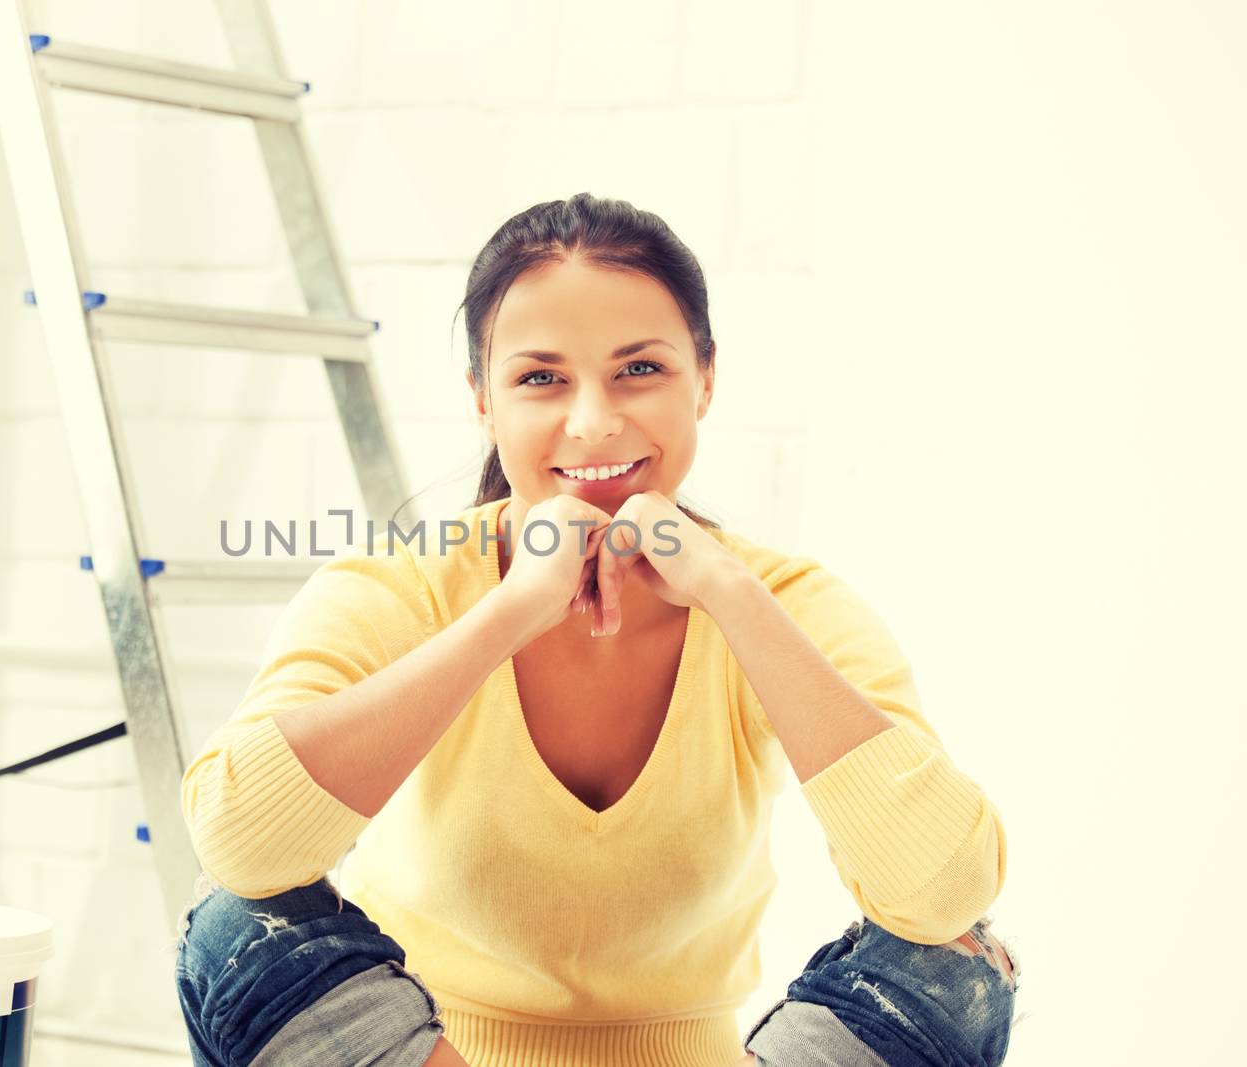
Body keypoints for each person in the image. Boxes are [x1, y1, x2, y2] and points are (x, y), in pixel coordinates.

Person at [174, 193, 1019, 1067]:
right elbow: (238, 835)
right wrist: (505, 614)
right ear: (483, 402)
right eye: (540, 378)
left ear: (705, 378)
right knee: (237, 923)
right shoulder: (409, 581)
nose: (593, 420)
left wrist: (730, 593)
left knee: (956, 964)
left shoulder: (779, 599)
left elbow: (945, 891)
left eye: (639, 369)